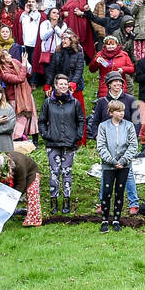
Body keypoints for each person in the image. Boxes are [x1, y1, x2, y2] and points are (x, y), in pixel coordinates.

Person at [39, 73, 83, 215]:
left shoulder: (74, 102)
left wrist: (78, 135)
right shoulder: (48, 102)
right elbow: (42, 120)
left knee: (67, 172)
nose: (63, 86)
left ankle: (66, 201)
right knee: (54, 173)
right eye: (60, 84)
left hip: (70, 143)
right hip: (53, 143)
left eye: (65, 84)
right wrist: (46, 134)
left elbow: (81, 120)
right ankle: (53, 202)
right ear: (55, 86)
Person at [94, 99, 137, 233]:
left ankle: (117, 219)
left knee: (119, 191)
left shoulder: (129, 126)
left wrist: (123, 160)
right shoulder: (103, 126)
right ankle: (105, 220)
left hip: (124, 165)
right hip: (108, 165)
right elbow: (101, 146)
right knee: (106, 192)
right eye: (118, 111)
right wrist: (112, 161)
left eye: (123, 111)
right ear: (111, 112)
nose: (121, 113)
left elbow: (133, 145)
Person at [0, 147, 41, 227]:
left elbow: (21, 184)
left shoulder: (19, 164)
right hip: (15, 174)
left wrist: (13, 199)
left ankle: (34, 220)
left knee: (31, 194)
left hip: (31, 172)